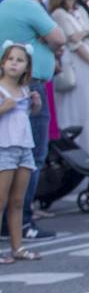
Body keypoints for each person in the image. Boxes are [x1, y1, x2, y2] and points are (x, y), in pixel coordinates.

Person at [0, 0, 67, 243]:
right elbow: (59, 38)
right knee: (31, 157)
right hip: (28, 85)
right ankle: (22, 221)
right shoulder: (22, 4)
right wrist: (43, 43)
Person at [48, 0, 89, 156]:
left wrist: (84, 34)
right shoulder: (59, 14)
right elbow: (73, 43)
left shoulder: (80, 11)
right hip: (78, 66)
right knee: (79, 108)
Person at [0, 42, 42, 261]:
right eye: (10, 59)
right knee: (1, 200)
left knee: (18, 200)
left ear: (27, 67)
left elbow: (26, 115)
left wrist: (36, 105)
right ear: (3, 63)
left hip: (24, 147)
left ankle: (18, 247)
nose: (14, 64)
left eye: (19, 60)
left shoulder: (25, 90)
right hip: (4, 148)